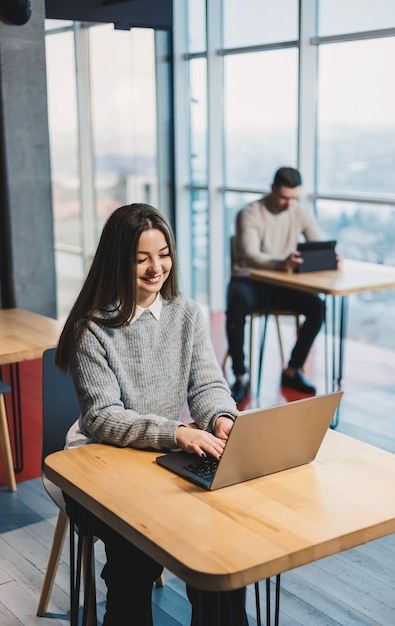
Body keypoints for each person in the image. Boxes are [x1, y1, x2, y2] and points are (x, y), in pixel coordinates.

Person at [55, 203, 249, 626]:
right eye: (140, 258)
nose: (155, 268)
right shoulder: (91, 327)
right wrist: (178, 433)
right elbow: (103, 417)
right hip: (96, 460)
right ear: (116, 260)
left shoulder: (186, 313)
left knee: (222, 555)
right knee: (134, 560)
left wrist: (220, 419)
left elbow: (208, 385)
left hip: (160, 454)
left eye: (163, 254)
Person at [226, 166, 327, 403]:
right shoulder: (249, 213)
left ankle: (292, 371)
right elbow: (250, 255)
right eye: (283, 197)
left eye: (293, 198)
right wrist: (280, 263)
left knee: (317, 307)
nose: (288, 203)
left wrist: (328, 255)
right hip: (249, 280)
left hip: (280, 283)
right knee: (236, 301)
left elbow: (317, 243)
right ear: (272, 189)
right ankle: (240, 376)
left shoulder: (298, 212)